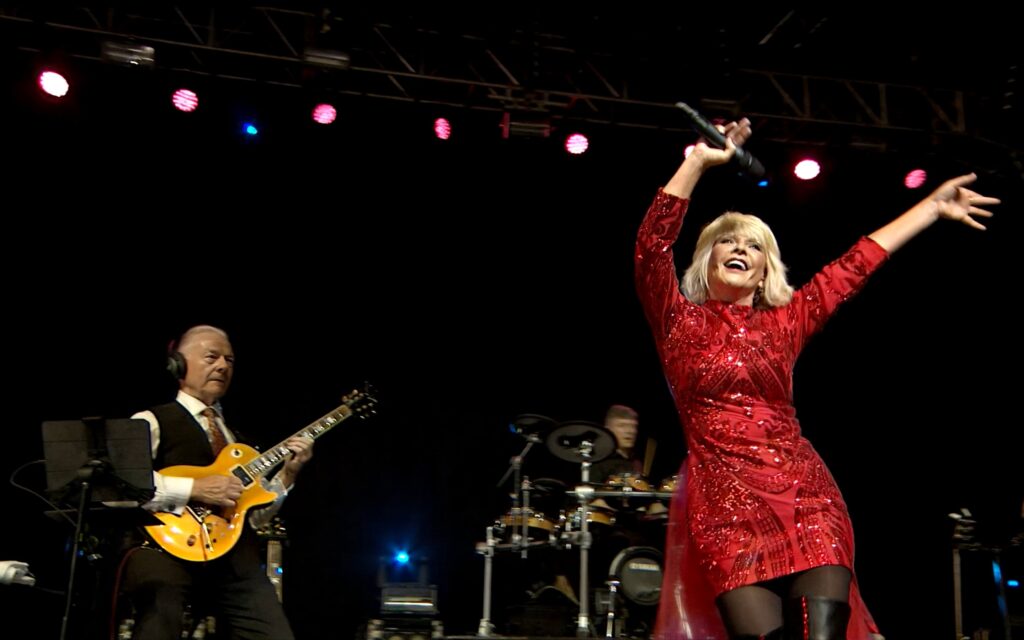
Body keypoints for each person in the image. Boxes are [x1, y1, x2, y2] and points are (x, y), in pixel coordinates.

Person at [635, 120, 998, 640]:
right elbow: (651, 248)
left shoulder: (786, 320)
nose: (741, 249)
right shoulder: (677, 322)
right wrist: (696, 161)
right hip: (726, 510)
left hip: (806, 497)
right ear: (709, 258)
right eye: (728, 242)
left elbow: (853, 266)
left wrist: (932, 208)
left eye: (755, 246)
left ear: (765, 270)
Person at [120, 325, 314, 640]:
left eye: (229, 360)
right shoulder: (150, 420)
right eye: (212, 356)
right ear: (178, 364)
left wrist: (288, 475)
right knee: (159, 614)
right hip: (163, 548)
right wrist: (194, 489)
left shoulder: (237, 441)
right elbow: (122, 485)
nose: (223, 366)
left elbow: (251, 517)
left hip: (231, 558)